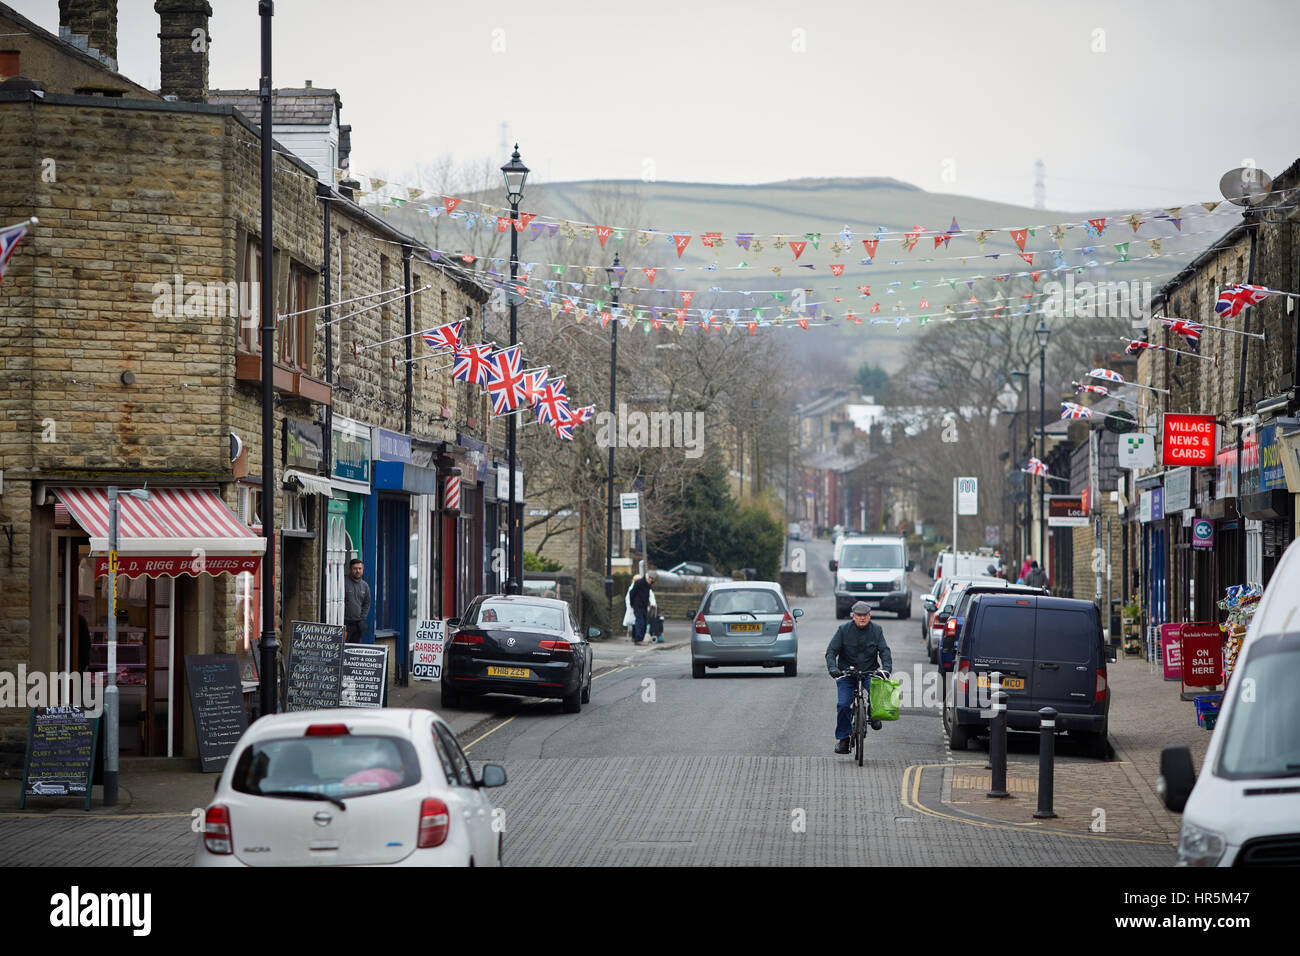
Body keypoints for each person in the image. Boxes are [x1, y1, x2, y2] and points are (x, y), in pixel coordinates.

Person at [825, 601, 894, 754]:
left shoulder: (877, 630)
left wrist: (887, 669)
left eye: (865, 616)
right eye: (859, 616)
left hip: (869, 672)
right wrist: (833, 669)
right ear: (853, 616)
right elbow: (831, 652)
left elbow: (884, 651)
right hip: (847, 674)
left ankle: (873, 713)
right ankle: (844, 739)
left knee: (879, 693)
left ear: (869, 616)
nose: (862, 618)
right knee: (843, 705)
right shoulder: (843, 630)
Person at [344, 558, 371, 643]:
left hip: (357, 624)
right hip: (344, 624)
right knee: (342, 647)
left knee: (354, 649)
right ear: (350, 569)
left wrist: (362, 618)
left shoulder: (365, 586)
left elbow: (367, 603)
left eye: (360, 568)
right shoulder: (343, 582)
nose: (357, 571)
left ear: (363, 570)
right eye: (355, 568)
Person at [627, 572, 656, 645]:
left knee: (644, 622)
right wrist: (632, 603)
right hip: (638, 605)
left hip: (644, 606)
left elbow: (648, 595)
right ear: (647, 577)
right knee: (640, 622)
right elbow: (632, 593)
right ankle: (638, 639)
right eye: (650, 579)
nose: (651, 581)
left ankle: (639, 638)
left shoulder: (648, 584)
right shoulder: (639, 582)